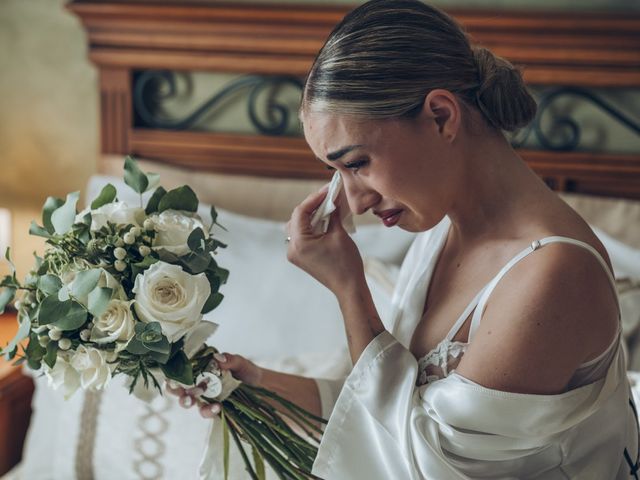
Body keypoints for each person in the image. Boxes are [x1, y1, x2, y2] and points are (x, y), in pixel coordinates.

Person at [179, 1, 640, 478]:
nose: (354, 202)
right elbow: (397, 412)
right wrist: (258, 385)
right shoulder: (440, 233)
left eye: (357, 163)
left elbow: (417, 465)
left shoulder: (552, 274)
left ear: (441, 115)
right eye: (336, 172)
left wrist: (349, 289)